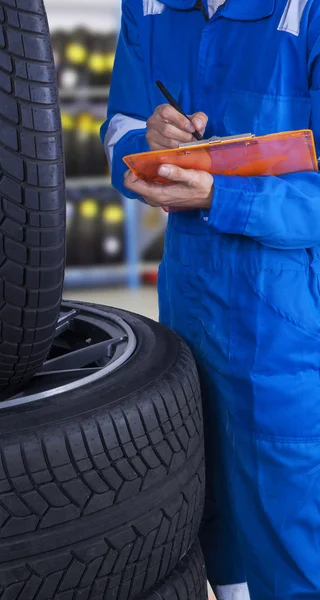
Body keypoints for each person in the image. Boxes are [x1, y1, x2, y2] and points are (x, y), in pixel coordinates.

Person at [101, 1, 320, 599]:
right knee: (209, 536)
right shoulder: (150, 5)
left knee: (293, 551)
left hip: (283, 340)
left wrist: (222, 196)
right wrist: (147, 142)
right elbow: (118, 122)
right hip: (187, 322)